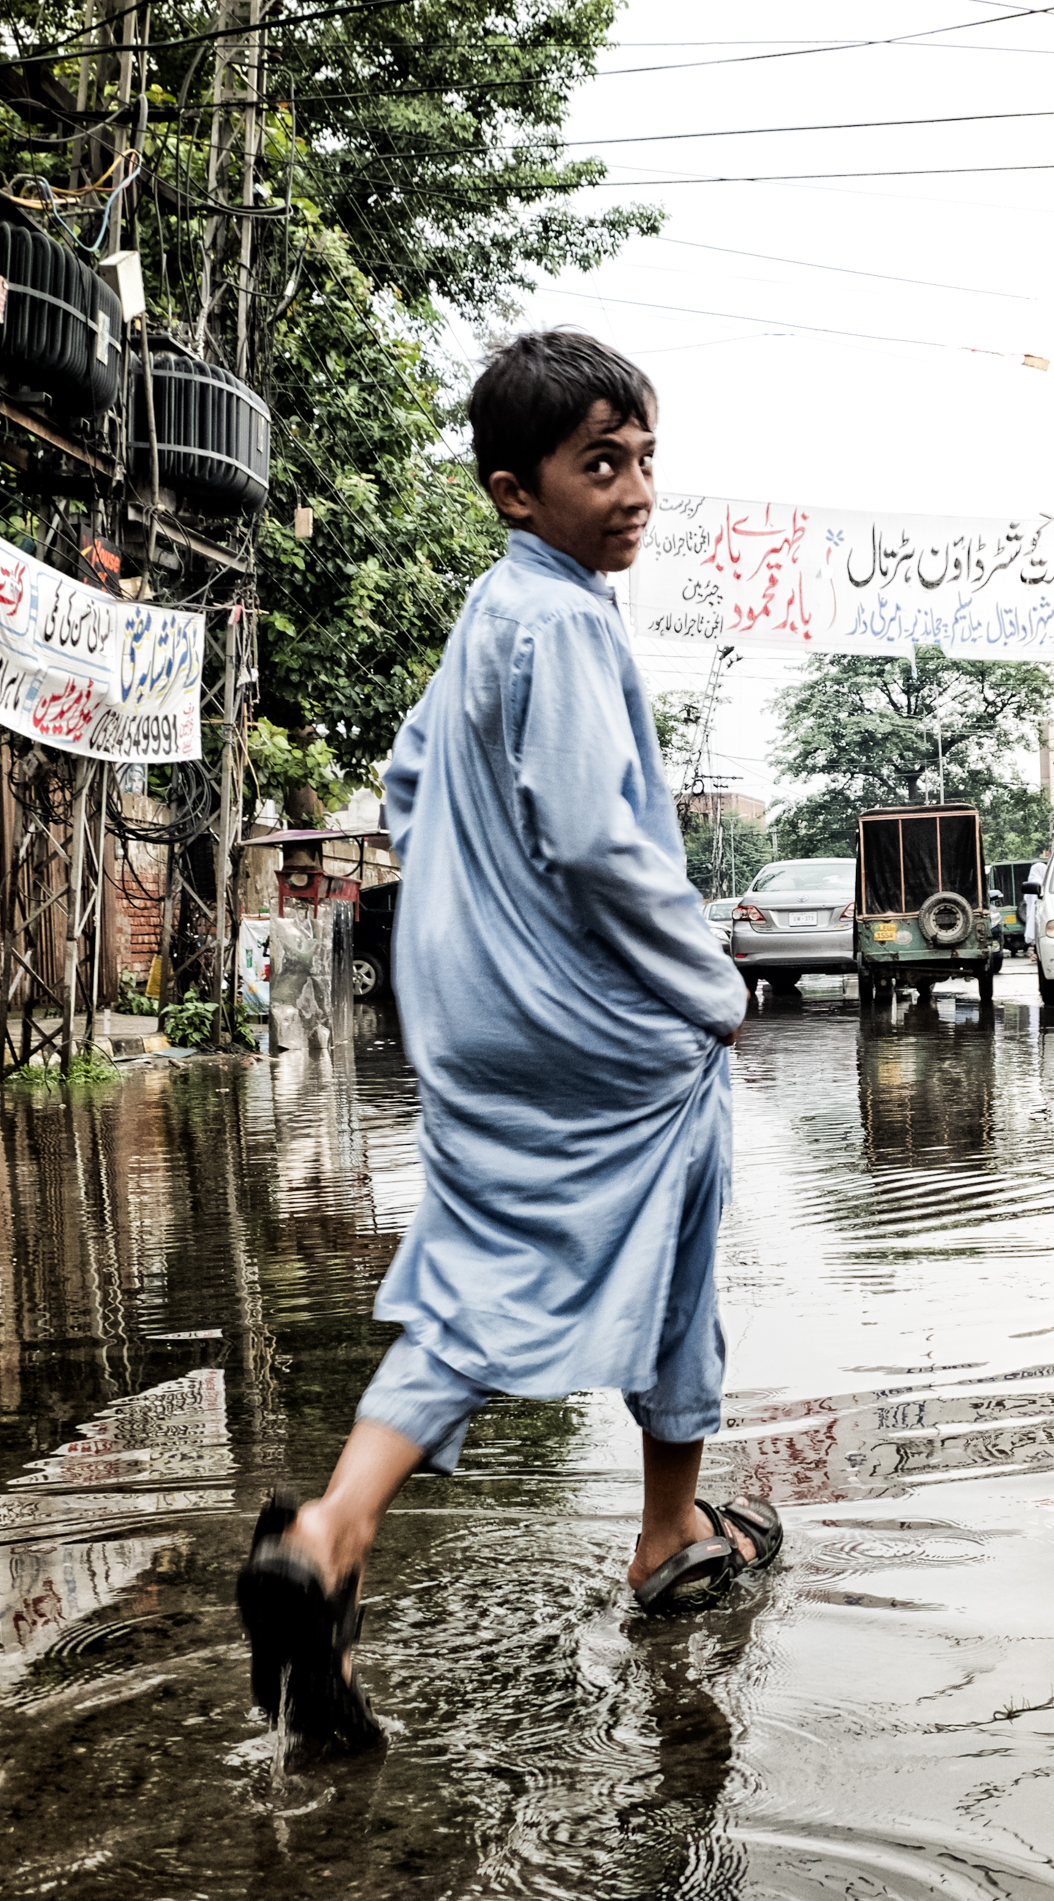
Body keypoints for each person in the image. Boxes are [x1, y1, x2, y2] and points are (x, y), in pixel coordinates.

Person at [234, 329, 781, 1752]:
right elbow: (605, 845)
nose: (635, 490)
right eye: (600, 464)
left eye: (647, 458)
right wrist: (709, 986)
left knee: (476, 1268)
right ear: (513, 491)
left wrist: (478, 928)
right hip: (602, 1025)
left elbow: (413, 784)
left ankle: (343, 1532)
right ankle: (636, 1533)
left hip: (476, 1021)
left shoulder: (491, 613)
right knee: (675, 1237)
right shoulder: (572, 625)